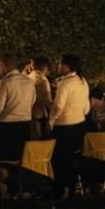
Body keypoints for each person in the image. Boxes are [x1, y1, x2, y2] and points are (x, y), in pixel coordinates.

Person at [49, 54, 90, 198]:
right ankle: (72, 188)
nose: (58, 66)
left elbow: (58, 106)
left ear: (66, 67)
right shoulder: (82, 81)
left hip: (64, 125)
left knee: (59, 159)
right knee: (73, 157)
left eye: (60, 64)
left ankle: (59, 190)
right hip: (79, 124)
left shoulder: (65, 83)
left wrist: (51, 120)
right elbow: (87, 106)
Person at [0, 52, 36, 163]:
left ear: (6, 66)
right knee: (21, 159)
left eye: (0, 66)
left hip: (8, 126)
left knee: (5, 161)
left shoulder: (5, 82)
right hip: (25, 124)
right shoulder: (29, 81)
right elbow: (33, 100)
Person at [29, 56, 53, 137]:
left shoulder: (28, 77)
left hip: (29, 114)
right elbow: (47, 100)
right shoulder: (43, 80)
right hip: (39, 114)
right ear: (44, 67)